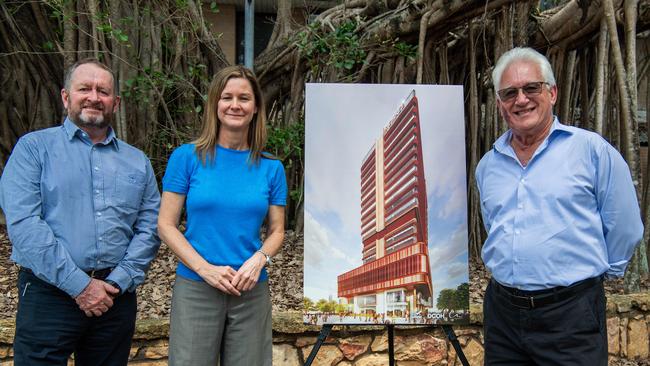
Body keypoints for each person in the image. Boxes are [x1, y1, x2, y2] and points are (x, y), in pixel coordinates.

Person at [476, 46, 643, 365]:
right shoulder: (488, 166)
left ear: (552, 92)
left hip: (570, 316)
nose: (521, 99)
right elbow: (494, 226)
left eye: (531, 88)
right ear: (500, 105)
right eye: (509, 93)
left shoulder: (591, 151)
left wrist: (600, 276)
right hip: (503, 315)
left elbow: (625, 225)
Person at [0, 58, 161, 365]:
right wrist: (80, 285)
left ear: (115, 102)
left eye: (103, 91)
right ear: (65, 96)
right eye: (84, 88)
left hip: (115, 298)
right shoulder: (33, 149)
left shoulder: (136, 161)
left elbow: (150, 225)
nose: (94, 97)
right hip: (49, 293)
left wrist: (118, 280)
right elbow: (24, 225)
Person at [158, 65, 286, 366]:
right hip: (196, 286)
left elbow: (278, 230)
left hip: (250, 290)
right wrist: (205, 269)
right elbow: (166, 224)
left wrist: (259, 259)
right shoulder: (186, 158)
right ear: (215, 104)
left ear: (255, 108)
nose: (235, 105)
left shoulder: (271, 168)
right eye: (227, 97)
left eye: (244, 98)